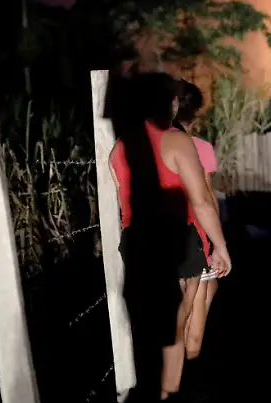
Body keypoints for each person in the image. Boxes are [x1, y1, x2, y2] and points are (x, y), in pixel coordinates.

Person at [109, 73, 232, 401]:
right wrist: (220, 247)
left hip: (135, 243)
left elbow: (120, 202)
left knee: (147, 327)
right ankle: (168, 394)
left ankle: (150, 388)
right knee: (173, 330)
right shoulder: (178, 141)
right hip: (175, 240)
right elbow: (203, 200)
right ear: (168, 102)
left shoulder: (119, 146)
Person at [173, 80, 221, 361]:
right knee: (198, 301)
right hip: (196, 238)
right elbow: (208, 198)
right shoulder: (201, 148)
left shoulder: (154, 146)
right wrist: (218, 243)